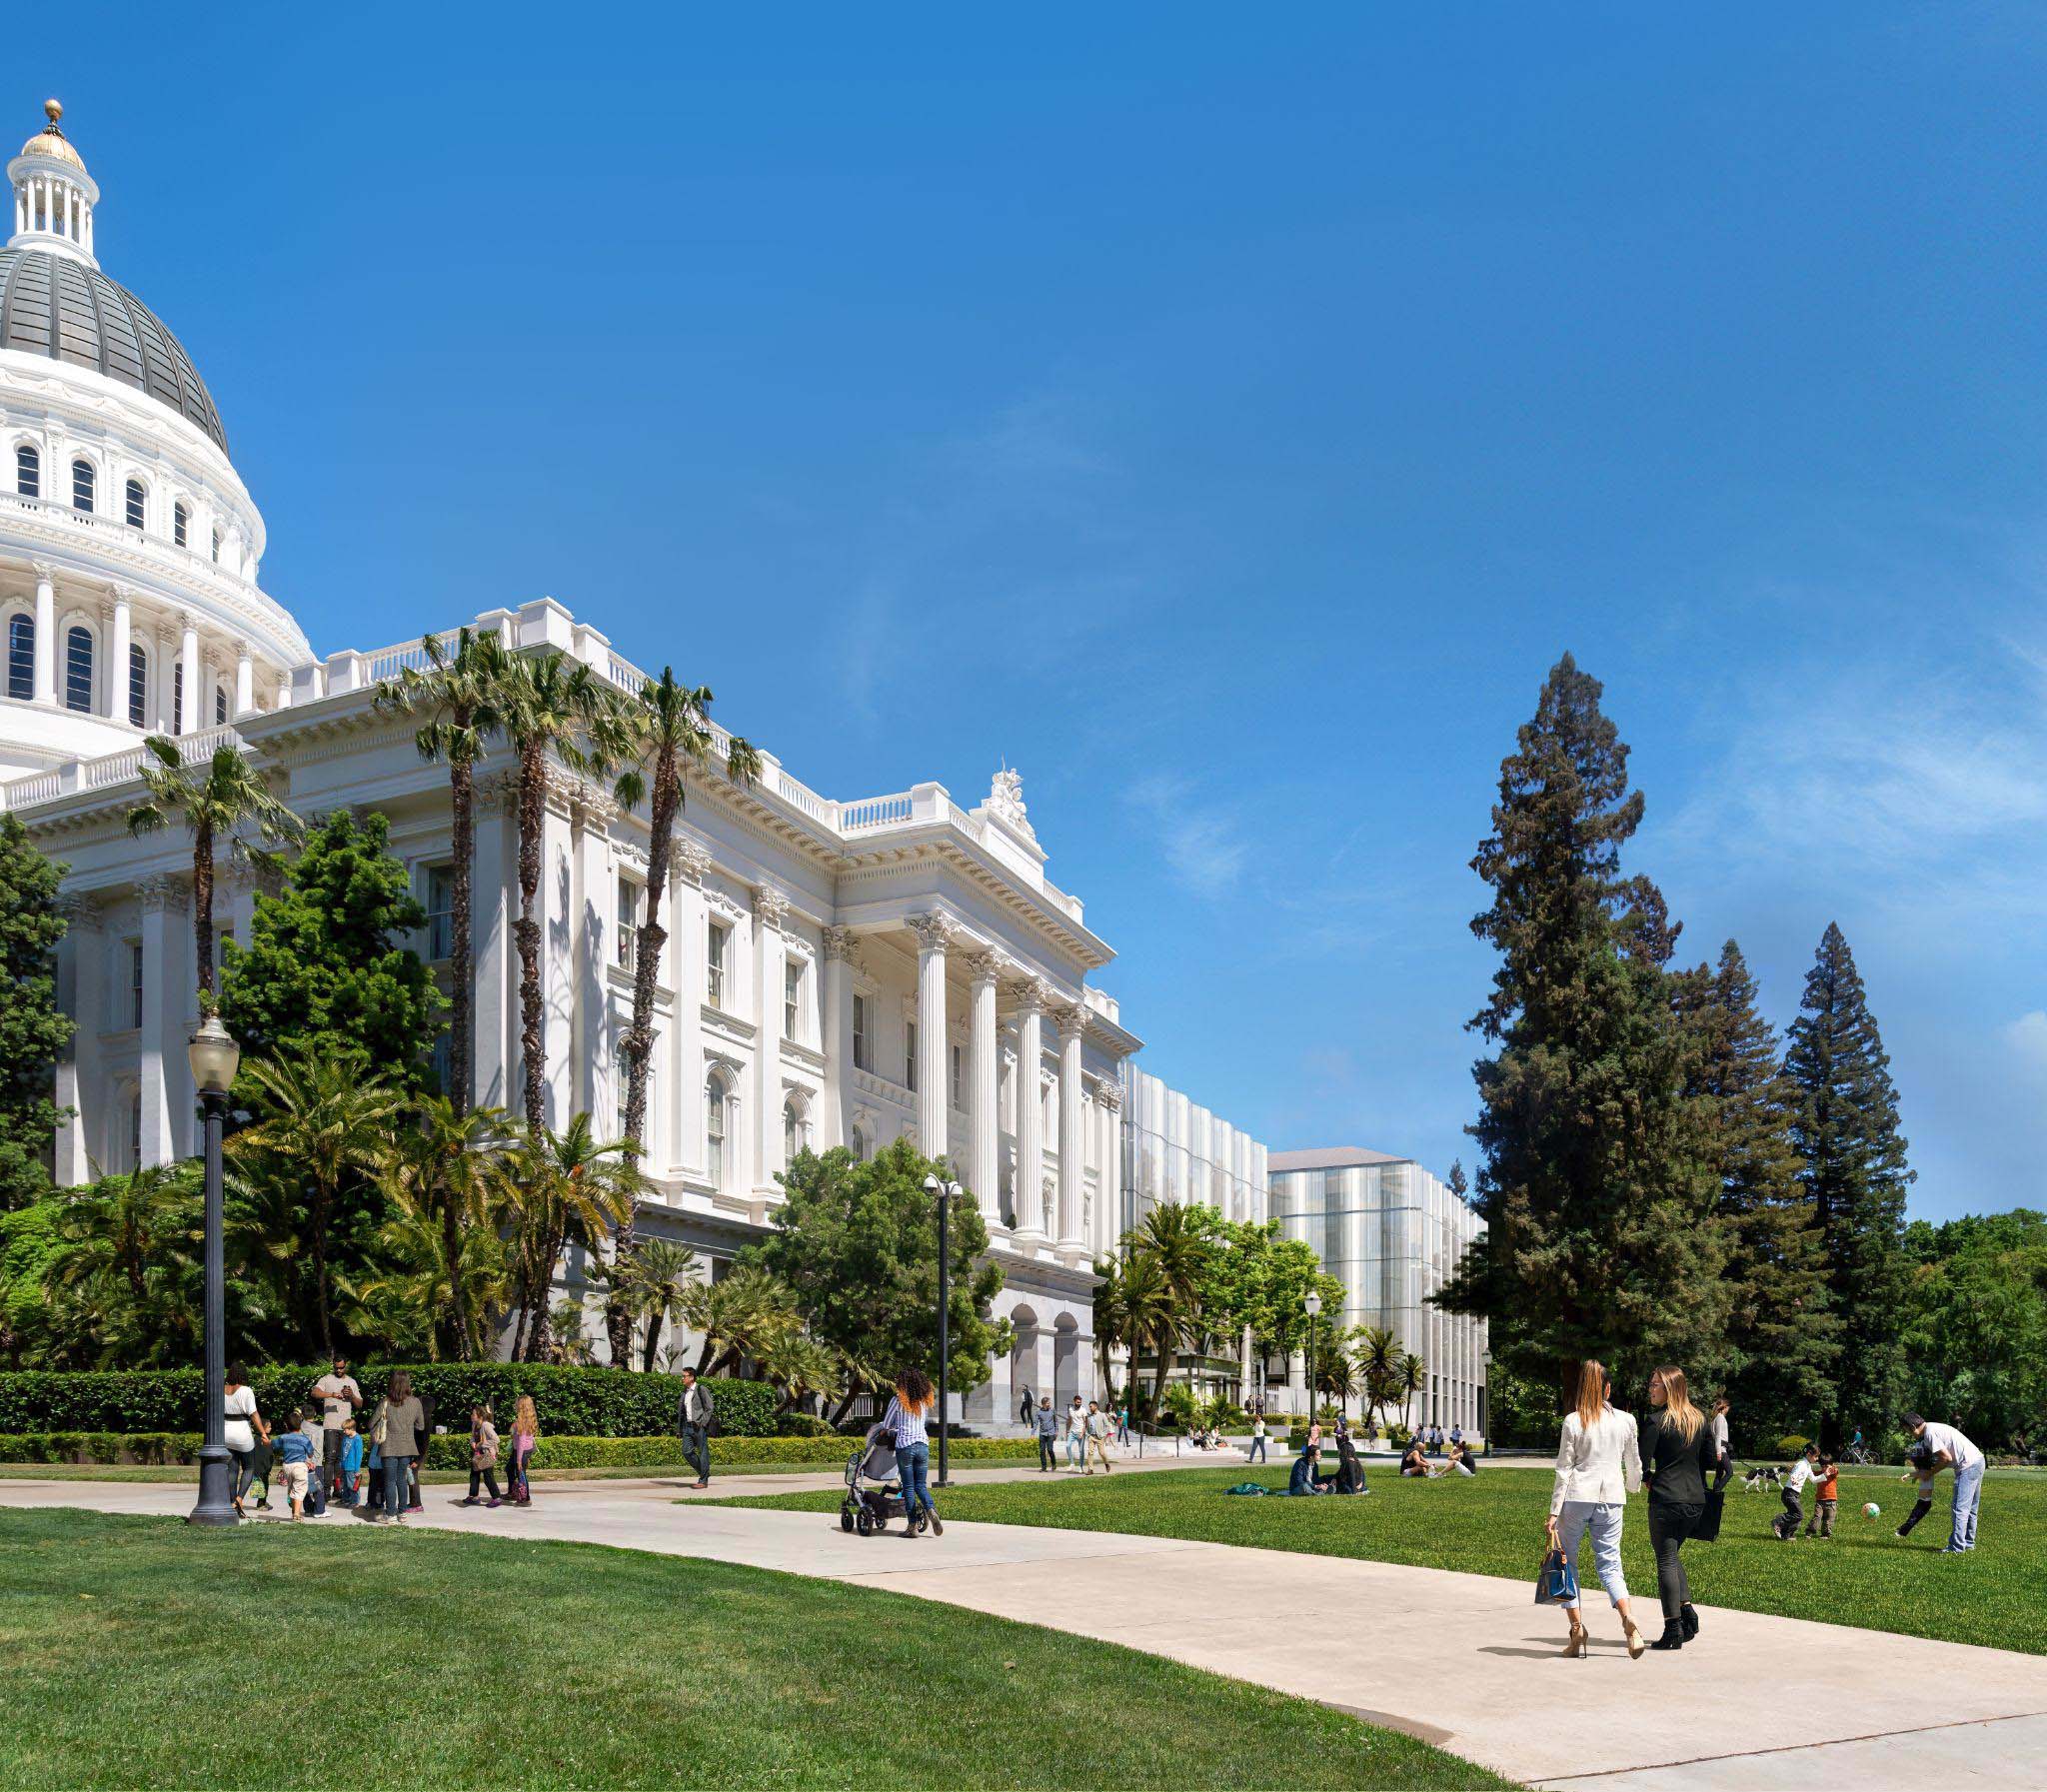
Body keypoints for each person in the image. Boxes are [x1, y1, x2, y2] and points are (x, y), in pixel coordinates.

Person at [1547, 1359, 1646, 1660]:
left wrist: (1554, 1510)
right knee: (1610, 1563)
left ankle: (1577, 1629)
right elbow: (1634, 1461)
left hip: (1578, 1495)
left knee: (1568, 1564)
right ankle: (1628, 1619)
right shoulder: (1626, 1420)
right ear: (1607, 1388)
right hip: (1611, 1496)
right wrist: (1633, 1486)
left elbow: (1564, 1468)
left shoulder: (1573, 1421)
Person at [1640, 1364, 1718, 1651]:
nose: (1650, 1389)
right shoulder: (1699, 1420)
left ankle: (1673, 1627)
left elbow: (1640, 1461)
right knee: (1671, 1556)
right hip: (1695, 1502)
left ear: (1670, 1388)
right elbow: (1710, 1461)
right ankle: (1686, 1613)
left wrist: (1648, 1478)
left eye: (1655, 1385)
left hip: (1666, 1499)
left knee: (1666, 1561)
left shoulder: (1656, 1421)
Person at [1902, 1412, 1985, 1553]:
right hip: (1978, 1460)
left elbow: (1946, 1458)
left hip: (1968, 1466)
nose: (1910, 1435)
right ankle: (1968, 1543)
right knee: (1970, 1508)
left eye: (1907, 1431)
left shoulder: (1929, 1434)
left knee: (1960, 1508)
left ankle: (1956, 1548)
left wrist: (1930, 1473)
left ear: (1912, 1426)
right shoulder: (1933, 1427)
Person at [882, 1369, 942, 1537]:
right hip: (923, 1445)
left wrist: (892, 1427)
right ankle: (931, 1509)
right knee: (920, 1485)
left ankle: (912, 1527)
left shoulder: (897, 1400)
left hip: (905, 1446)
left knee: (908, 1487)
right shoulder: (923, 1402)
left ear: (902, 1384)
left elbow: (886, 1425)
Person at [368, 1371, 424, 1524]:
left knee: (389, 1481)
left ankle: (390, 1514)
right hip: (407, 1446)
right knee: (401, 1480)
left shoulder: (385, 1402)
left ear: (391, 1383)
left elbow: (371, 1423)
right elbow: (421, 1426)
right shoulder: (415, 1402)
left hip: (389, 1446)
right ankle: (402, 1513)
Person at [310, 1356, 362, 1516]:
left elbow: (360, 1404)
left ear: (346, 1366)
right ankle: (325, 1491)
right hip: (331, 1426)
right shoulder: (326, 1379)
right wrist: (332, 1394)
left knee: (341, 1459)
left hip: (346, 1427)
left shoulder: (352, 1381)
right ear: (333, 1366)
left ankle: (338, 1490)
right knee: (331, 1458)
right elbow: (314, 1392)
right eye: (336, 1368)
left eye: (342, 1367)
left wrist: (351, 1396)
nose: (339, 1370)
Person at [223, 1361, 267, 1519]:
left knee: (232, 1469)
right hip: (241, 1432)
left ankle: (232, 1503)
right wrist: (263, 1432)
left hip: (225, 1432)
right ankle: (239, 1499)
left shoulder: (222, 1389)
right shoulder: (246, 1390)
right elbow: (253, 1414)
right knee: (249, 1467)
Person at [275, 1408, 318, 1520]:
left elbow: (274, 1444)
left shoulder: (283, 1438)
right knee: (299, 1489)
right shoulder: (304, 1439)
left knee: (292, 1488)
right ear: (300, 1425)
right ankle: (296, 1515)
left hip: (287, 1466)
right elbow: (310, 1452)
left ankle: (294, 1509)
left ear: (287, 1426)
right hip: (299, 1466)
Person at [677, 1366, 714, 1490]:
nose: (682, 1378)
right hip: (687, 1427)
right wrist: (679, 1429)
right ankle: (704, 1472)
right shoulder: (684, 1392)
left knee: (703, 1452)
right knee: (686, 1452)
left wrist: (703, 1423)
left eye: (684, 1376)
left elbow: (709, 1407)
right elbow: (682, 1412)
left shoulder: (700, 1389)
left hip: (698, 1426)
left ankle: (703, 1480)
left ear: (691, 1378)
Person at [1776, 1444, 1820, 1541]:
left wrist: (1825, 1475)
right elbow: (1794, 1474)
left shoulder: (1807, 1466)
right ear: (1809, 1454)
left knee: (1796, 1516)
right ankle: (1778, 1521)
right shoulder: (1802, 1464)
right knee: (1799, 1515)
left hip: (1794, 1494)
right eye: (1816, 1456)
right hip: (1789, 1493)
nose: (1817, 1459)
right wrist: (1794, 1479)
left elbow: (1813, 1479)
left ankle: (1786, 1535)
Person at [1896, 1439, 1938, 1537]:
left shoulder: (1926, 1472)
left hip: (1924, 1502)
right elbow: (1920, 1473)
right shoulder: (1927, 1470)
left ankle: (1902, 1532)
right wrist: (1914, 1476)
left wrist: (1908, 1474)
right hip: (1923, 1501)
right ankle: (1903, 1529)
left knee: (1914, 1516)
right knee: (1914, 1515)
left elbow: (1920, 1473)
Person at [407, 1388, 437, 1512]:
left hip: (417, 1454)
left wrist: (418, 1459)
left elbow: (424, 1443)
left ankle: (416, 1504)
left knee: (412, 1476)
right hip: (415, 1453)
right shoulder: (422, 1418)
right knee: (410, 1476)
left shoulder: (425, 1421)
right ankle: (414, 1503)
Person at [508, 1394, 538, 1506]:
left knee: (521, 1474)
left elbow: (521, 1442)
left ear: (521, 1406)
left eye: (517, 1404)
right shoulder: (529, 1420)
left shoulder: (521, 1422)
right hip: (526, 1451)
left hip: (521, 1452)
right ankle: (521, 1496)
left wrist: (519, 1460)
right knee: (521, 1474)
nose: (515, 1405)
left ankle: (525, 1499)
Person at [1805, 1456, 1839, 1538]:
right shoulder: (1819, 1474)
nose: (1824, 1469)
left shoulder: (1833, 1474)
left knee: (1829, 1519)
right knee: (1817, 1517)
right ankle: (1810, 1531)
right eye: (1822, 1466)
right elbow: (1809, 1473)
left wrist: (1831, 1468)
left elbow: (1835, 1470)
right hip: (1820, 1501)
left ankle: (1826, 1534)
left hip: (1832, 1501)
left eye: (1826, 1466)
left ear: (1831, 1465)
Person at [337, 1418, 364, 1508]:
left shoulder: (357, 1439)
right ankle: (347, 1499)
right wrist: (341, 1464)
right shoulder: (345, 1438)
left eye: (345, 1430)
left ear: (351, 1428)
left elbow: (359, 1455)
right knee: (345, 1484)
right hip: (345, 1466)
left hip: (352, 1467)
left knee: (352, 1485)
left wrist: (357, 1469)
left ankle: (355, 1501)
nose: (344, 1432)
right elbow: (342, 1451)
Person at [1332, 1426, 1368, 1494]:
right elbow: (1340, 1471)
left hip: (1349, 1485)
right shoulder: (1351, 1460)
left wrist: (1355, 1492)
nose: (1339, 1452)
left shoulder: (1350, 1462)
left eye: (1341, 1451)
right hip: (1350, 1483)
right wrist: (1334, 1477)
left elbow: (1353, 1477)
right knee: (1329, 1477)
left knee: (1343, 1488)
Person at [1709, 1395, 1733, 1489]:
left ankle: (1715, 1498)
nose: (1728, 1410)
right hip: (1721, 1450)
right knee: (1729, 1472)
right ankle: (1716, 1492)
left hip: (1721, 1448)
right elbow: (1718, 1436)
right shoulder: (1720, 1418)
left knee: (1719, 1473)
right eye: (1728, 1408)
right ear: (1725, 1407)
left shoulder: (1716, 1418)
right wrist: (1719, 1452)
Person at [1083, 1400, 1113, 1473]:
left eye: (1091, 1406)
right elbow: (1087, 1426)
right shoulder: (1089, 1416)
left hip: (1100, 1437)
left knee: (1102, 1453)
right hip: (1091, 1437)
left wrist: (1103, 1435)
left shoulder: (1102, 1415)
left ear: (1095, 1406)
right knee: (1090, 1453)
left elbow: (1107, 1426)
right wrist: (1088, 1435)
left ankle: (1107, 1464)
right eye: (1089, 1407)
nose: (1090, 1408)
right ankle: (1090, 1469)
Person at [1033, 1395, 1058, 1471]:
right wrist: (1032, 1432)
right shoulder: (1038, 1412)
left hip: (1051, 1433)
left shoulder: (1052, 1411)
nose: (1049, 1404)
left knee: (1050, 1450)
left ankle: (1053, 1464)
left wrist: (1056, 1431)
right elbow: (1035, 1423)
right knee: (1042, 1451)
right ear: (1043, 1404)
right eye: (1047, 1403)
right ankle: (1044, 1467)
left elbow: (1056, 1421)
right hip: (1042, 1434)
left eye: (1049, 1403)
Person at [1063, 1395, 1087, 1472]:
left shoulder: (1083, 1410)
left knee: (1081, 1450)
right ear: (1074, 1401)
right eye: (1078, 1402)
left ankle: (1081, 1467)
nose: (1079, 1403)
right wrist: (1068, 1431)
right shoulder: (1071, 1409)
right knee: (1067, 1446)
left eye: (1080, 1402)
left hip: (1081, 1432)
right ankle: (1072, 1464)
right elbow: (1069, 1420)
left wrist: (1082, 1433)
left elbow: (1085, 1422)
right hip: (1072, 1432)